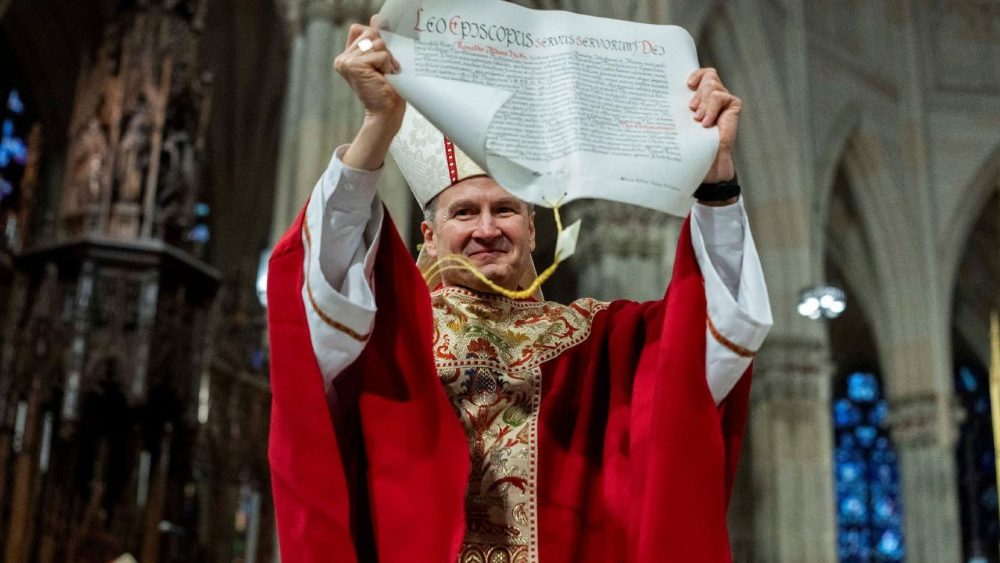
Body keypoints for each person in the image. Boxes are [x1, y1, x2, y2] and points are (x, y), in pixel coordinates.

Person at [267, 15, 772, 563]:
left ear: (533, 230)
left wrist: (716, 181)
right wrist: (376, 128)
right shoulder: (390, 340)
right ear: (429, 238)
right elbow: (316, 302)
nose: (487, 229)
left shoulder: (596, 344)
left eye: (505, 209)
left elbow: (706, 340)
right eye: (465, 212)